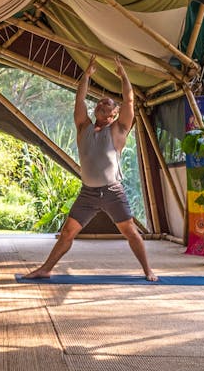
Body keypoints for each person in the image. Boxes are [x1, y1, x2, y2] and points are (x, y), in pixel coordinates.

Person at [24, 55, 158, 282]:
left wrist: (124, 75)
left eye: (106, 103)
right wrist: (86, 76)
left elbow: (129, 101)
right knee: (67, 232)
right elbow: (79, 100)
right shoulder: (83, 126)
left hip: (112, 192)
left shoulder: (119, 129)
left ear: (114, 113)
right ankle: (46, 269)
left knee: (131, 233)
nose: (100, 105)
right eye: (99, 103)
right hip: (88, 193)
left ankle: (148, 270)